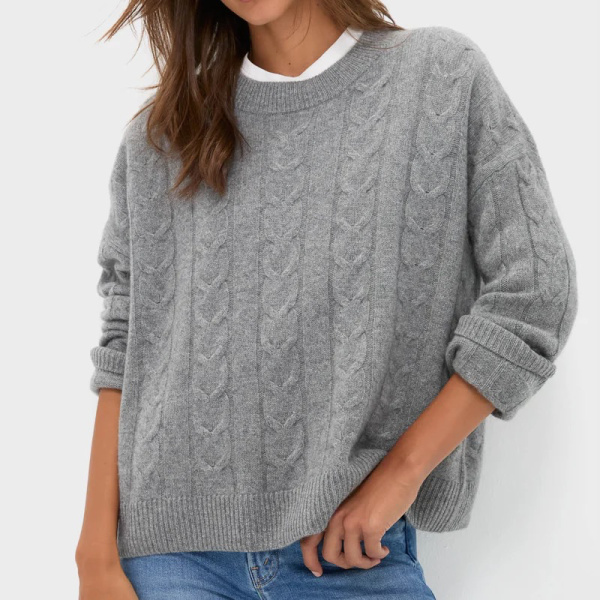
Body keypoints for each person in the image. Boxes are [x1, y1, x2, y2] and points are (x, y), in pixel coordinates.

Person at [75, 1, 578, 598]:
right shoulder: (162, 136)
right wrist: (93, 556)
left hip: (352, 556)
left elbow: (537, 290)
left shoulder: (441, 76)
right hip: (171, 560)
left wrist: (401, 473)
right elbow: (127, 345)